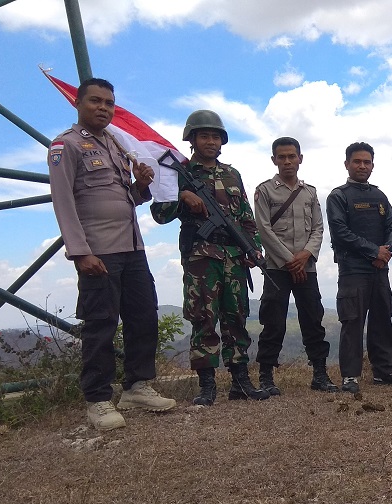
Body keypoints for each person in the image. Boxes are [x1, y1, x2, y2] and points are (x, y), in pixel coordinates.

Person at [49, 77, 176, 431]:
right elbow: (63, 202)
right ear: (78, 103)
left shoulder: (117, 145)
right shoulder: (66, 146)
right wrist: (79, 252)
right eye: (95, 101)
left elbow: (128, 200)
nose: (103, 108)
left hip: (133, 249)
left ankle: (137, 387)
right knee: (101, 325)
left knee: (143, 318)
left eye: (108, 102)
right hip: (98, 252)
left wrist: (142, 185)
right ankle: (98, 400)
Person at [152, 109, 269, 405]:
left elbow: (246, 216)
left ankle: (240, 382)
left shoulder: (232, 174)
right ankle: (207, 386)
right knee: (204, 317)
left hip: (233, 254)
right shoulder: (178, 172)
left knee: (236, 317)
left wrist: (253, 248)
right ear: (192, 139)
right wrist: (182, 197)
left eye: (216, 136)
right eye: (204, 136)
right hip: (201, 256)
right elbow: (159, 214)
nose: (211, 141)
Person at [252, 137, 338, 394]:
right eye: (282, 157)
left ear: (300, 158)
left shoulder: (309, 192)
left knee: (313, 318)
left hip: (306, 267)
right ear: (274, 160)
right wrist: (291, 260)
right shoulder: (265, 190)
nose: (287, 161)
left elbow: (319, 228)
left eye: (292, 156)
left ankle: (320, 375)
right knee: (273, 321)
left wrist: (306, 255)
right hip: (278, 268)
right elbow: (263, 229)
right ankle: (266, 377)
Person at [326, 142, 392, 393]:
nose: (362, 166)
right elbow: (340, 232)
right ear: (347, 164)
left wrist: (384, 253)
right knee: (352, 322)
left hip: (379, 270)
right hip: (353, 271)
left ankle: (385, 371)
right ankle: (350, 376)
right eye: (357, 161)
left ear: (373, 165)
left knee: (382, 319)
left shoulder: (379, 195)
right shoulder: (338, 196)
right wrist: (374, 251)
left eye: (367, 162)